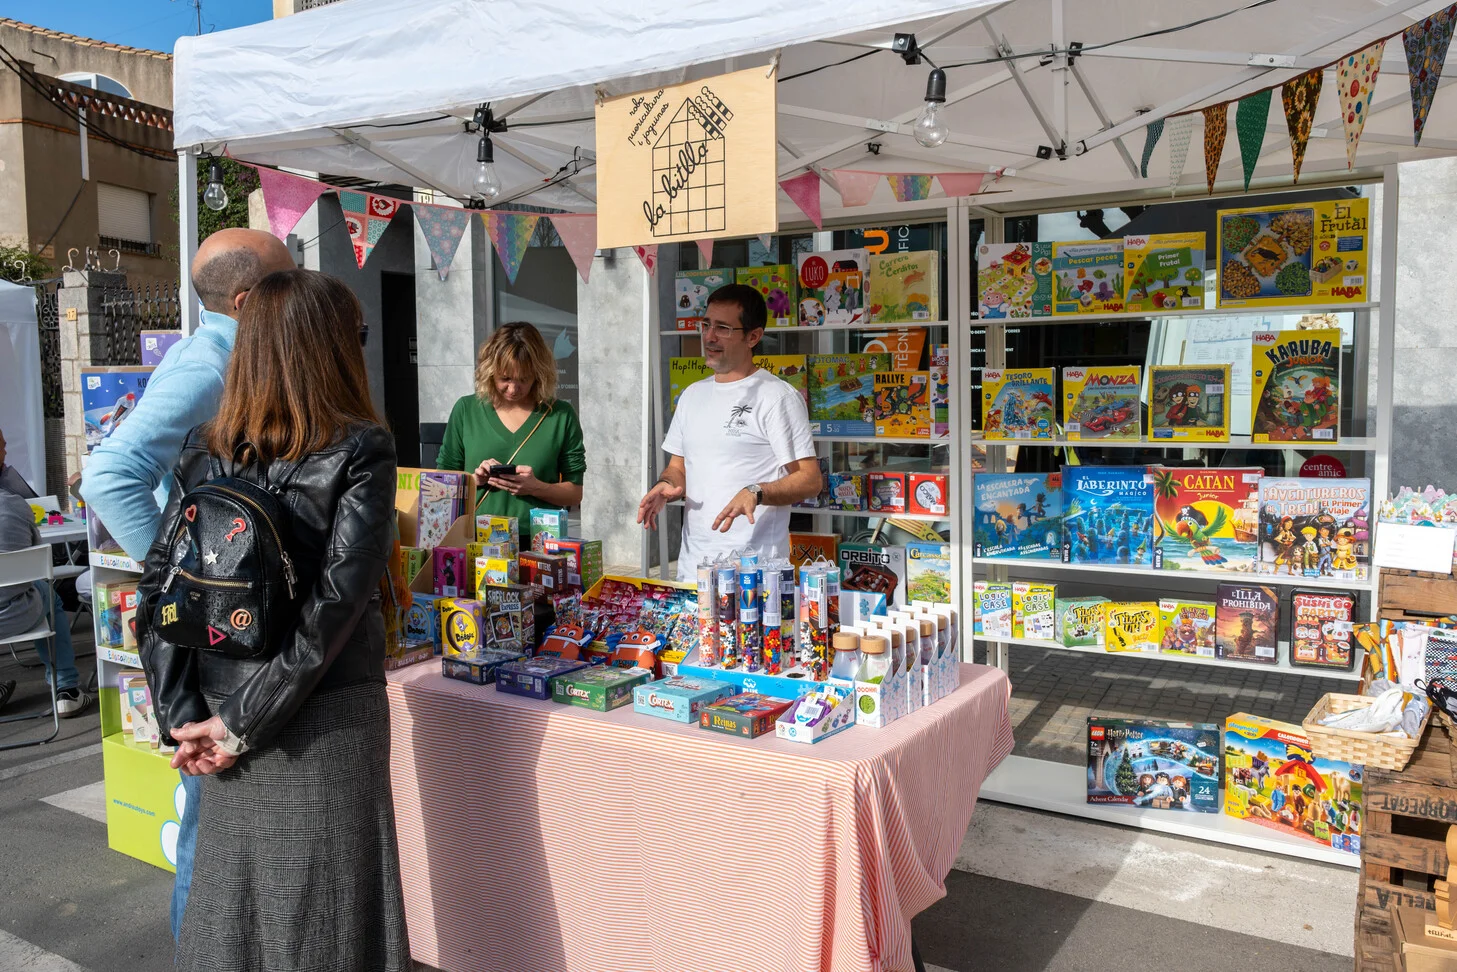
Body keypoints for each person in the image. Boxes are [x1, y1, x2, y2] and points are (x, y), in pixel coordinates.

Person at [135, 269, 408, 971]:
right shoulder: (360, 447)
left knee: (235, 908)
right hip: (320, 712)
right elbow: (337, 605)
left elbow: (158, 589)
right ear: (334, 348)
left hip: (221, 707)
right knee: (326, 911)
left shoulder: (209, 444)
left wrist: (186, 717)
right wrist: (235, 725)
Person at [79, 227, 295, 943]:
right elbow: (109, 475)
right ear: (245, 299)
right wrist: (181, 582)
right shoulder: (205, 366)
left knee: (230, 815)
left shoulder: (237, 358)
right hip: (217, 635)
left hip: (238, 628)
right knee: (210, 820)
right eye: (284, 282)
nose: (299, 295)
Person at [637, 284, 820, 580]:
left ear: (753, 337)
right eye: (706, 324)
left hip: (756, 576)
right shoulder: (691, 395)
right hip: (693, 570)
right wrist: (665, 485)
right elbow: (677, 467)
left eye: (723, 328)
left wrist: (756, 492)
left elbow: (810, 480)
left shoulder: (776, 397)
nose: (709, 337)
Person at [437, 322, 586, 544]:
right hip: (477, 540)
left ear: (539, 374)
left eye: (524, 379)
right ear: (489, 372)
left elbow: (574, 493)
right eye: (505, 378)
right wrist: (475, 480)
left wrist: (536, 487)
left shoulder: (560, 415)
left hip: (540, 544)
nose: (513, 389)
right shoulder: (466, 410)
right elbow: (442, 483)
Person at [0, 430, 88, 715]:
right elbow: (39, 563)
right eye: (2, 447)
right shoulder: (13, 505)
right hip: (13, 615)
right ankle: (66, 688)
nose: (6, 453)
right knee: (48, 594)